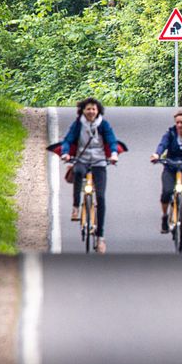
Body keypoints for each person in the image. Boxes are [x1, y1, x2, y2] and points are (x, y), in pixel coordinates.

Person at [52, 98, 126, 252]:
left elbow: (112, 140)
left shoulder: (103, 125)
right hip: (82, 160)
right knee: (78, 171)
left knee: (100, 197)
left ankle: (100, 238)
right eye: (88, 109)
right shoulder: (78, 124)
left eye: (94, 109)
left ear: (98, 110)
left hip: (100, 162)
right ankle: (75, 206)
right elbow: (68, 140)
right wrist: (65, 153)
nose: (91, 112)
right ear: (82, 111)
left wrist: (113, 154)